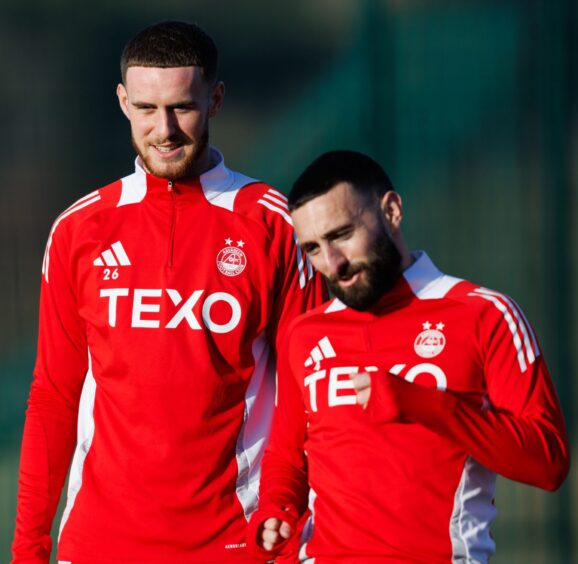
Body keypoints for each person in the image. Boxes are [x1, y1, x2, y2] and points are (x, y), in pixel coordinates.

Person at [11, 21, 326, 563]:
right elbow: (53, 399)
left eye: (182, 107)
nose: (164, 129)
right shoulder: (78, 229)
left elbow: (309, 395)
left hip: (237, 543)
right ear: (122, 102)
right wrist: (29, 547)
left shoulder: (277, 225)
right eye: (146, 108)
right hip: (99, 545)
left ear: (216, 99)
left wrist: (284, 510)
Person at [246, 150, 570, 563]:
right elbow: (286, 456)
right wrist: (276, 509)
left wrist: (425, 404)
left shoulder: (484, 314)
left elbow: (548, 463)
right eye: (312, 248)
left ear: (392, 211)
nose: (332, 264)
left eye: (342, 234)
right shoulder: (304, 333)